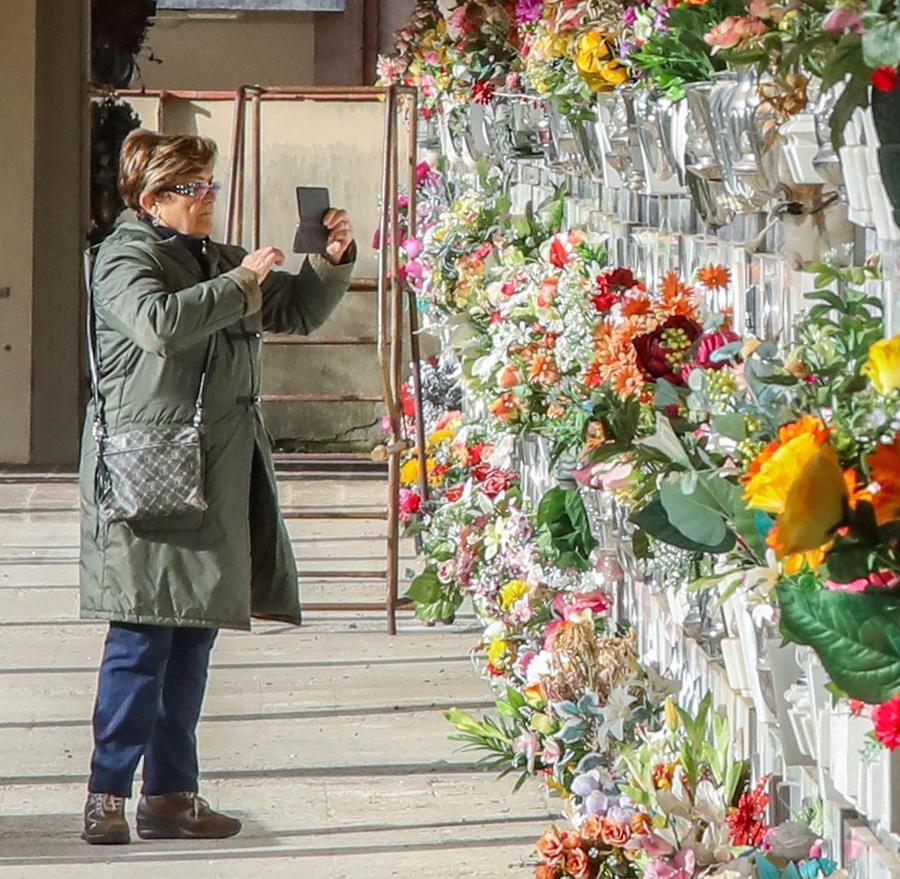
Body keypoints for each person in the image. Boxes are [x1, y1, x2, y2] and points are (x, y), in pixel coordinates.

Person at [78, 129, 356, 844]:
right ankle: (106, 794)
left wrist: (328, 262)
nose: (207, 200)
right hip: (148, 474)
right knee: (141, 637)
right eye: (191, 189)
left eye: (209, 186)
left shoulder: (214, 257)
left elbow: (294, 309)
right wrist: (239, 285)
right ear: (150, 199)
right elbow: (158, 324)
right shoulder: (123, 257)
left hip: (212, 476)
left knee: (192, 642)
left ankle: (171, 794)